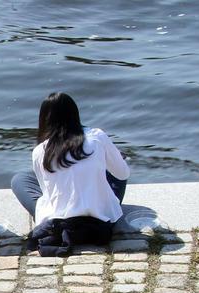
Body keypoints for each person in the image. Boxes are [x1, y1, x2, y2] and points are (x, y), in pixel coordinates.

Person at [11, 92, 130, 255]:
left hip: (59, 222)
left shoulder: (40, 151)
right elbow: (123, 174)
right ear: (75, 114)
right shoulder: (97, 136)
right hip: (103, 221)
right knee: (118, 161)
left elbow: (47, 193)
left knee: (20, 178)